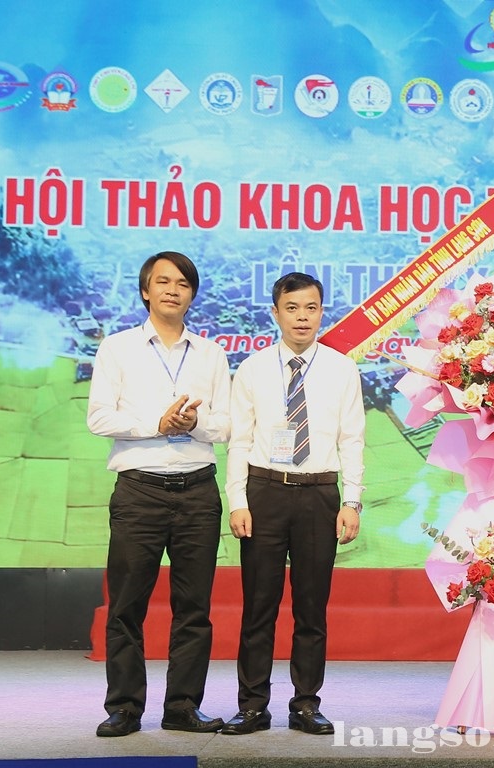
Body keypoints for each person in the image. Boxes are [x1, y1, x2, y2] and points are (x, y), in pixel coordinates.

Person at [86, 250, 231, 737]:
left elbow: (226, 424)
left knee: (194, 608)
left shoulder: (211, 353)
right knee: (127, 605)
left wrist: (194, 424)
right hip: (139, 491)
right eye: (163, 281)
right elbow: (99, 417)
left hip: (198, 492)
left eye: (182, 283)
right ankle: (124, 708)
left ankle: (183, 706)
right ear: (146, 291)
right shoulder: (118, 348)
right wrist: (157, 424)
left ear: (192, 294)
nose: (173, 290)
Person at [221, 272, 366, 736]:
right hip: (265, 493)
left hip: (320, 495)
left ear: (322, 312)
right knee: (258, 607)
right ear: (275, 312)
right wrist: (238, 501)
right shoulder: (253, 368)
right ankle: (252, 706)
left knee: (311, 608)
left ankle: (305, 704)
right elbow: (239, 441)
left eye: (311, 308)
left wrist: (352, 501)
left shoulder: (342, 369)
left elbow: (353, 440)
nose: (302, 317)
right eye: (292, 308)